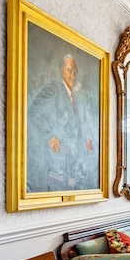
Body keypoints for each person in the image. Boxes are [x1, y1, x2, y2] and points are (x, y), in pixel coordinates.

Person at [27, 55, 97, 192]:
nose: (73, 75)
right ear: (62, 71)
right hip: (57, 166)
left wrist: (87, 139)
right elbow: (34, 112)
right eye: (69, 70)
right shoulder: (54, 89)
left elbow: (78, 127)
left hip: (73, 169)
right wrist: (49, 136)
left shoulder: (76, 99)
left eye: (75, 72)